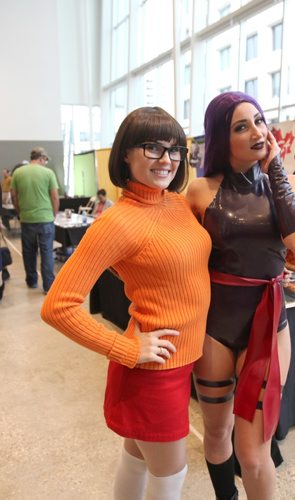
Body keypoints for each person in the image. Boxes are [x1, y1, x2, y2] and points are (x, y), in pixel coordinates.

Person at [41, 107, 212, 500]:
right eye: (152, 147)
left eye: (175, 149)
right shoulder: (117, 222)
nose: (167, 159)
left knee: (136, 460)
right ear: (125, 155)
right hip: (153, 370)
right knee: (171, 475)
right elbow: (57, 306)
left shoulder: (177, 204)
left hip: (179, 361)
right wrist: (125, 347)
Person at [187, 91, 295, 500]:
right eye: (241, 126)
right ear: (221, 138)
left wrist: (275, 168)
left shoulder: (291, 183)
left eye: (260, 121)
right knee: (216, 430)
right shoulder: (199, 191)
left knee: (255, 453)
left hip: (268, 326)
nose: (257, 131)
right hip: (214, 328)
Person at [10, 147, 59, 293]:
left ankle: (32, 281)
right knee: (46, 252)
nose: (45, 163)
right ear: (42, 158)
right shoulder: (48, 173)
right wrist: (53, 214)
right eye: (45, 160)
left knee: (29, 251)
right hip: (45, 219)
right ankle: (48, 286)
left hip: (27, 219)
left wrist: (20, 211)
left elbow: (13, 196)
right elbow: (55, 197)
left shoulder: (18, 172)